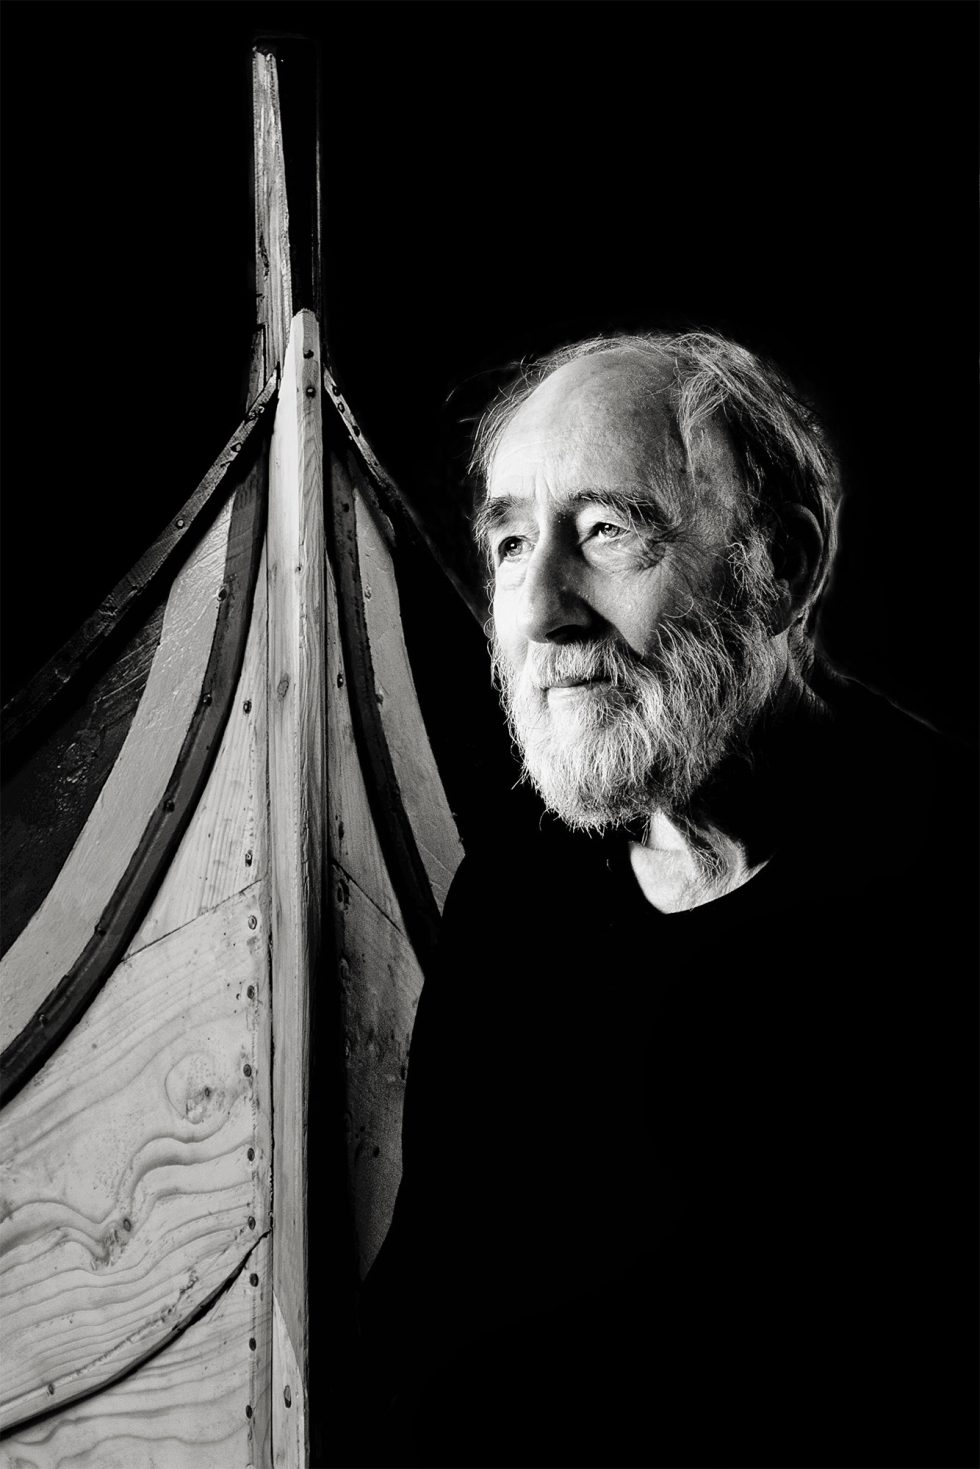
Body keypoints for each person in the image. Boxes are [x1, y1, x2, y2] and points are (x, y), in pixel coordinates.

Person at [360, 333, 977, 1468]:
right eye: (510, 543)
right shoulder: (512, 899)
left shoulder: (955, 874)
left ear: (781, 564)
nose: (542, 610)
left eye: (607, 530)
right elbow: (421, 1324)